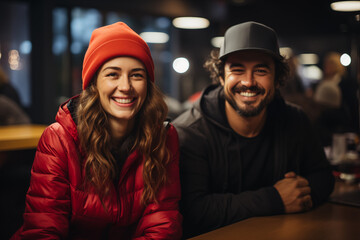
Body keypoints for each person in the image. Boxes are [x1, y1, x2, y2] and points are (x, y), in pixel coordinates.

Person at [11, 22, 182, 239]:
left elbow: (162, 222)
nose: (126, 86)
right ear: (94, 84)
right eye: (113, 74)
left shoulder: (163, 137)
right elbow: (44, 230)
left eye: (136, 75)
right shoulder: (58, 139)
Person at [173, 21, 335, 238]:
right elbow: (193, 212)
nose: (248, 82)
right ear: (221, 77)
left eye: (260, 70)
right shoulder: (189, 132)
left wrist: (298, 192)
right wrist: (274, 199)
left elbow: (323, 177)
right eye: (237, 69)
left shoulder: (295, 119)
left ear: (277, 79)